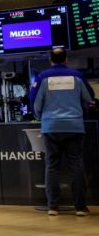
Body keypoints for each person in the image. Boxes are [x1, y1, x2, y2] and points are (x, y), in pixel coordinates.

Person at [30, 48, 95, 217]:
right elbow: (89, 98)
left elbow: (35, 102)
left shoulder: (42, 77)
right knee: (76, 164)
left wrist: (41, 117)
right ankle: (80, 207)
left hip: (51, 126)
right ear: (66, 59)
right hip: (74, 126)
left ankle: (53, 207)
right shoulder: (77, 76)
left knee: (52, 166)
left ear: (50, 60)